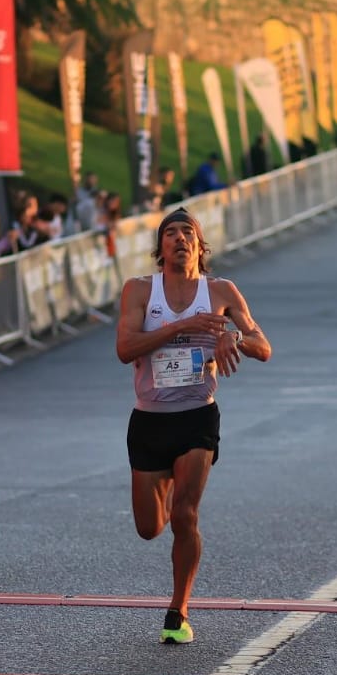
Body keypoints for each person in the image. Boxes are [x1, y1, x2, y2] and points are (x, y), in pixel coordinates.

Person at [114, 208, 271, 645]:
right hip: (149, 419)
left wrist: (234, 338)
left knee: (186, 514)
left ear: (201, 247)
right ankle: (163, 495)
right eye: (170, 233)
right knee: (150, 527)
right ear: (159, 248)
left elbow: (264, 345)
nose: (179, 238)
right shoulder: (140, 292)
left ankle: (178, 611)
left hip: (198, 415)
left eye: (188, 232)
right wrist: (185, 327)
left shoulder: (220, 290)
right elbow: (126, 348)